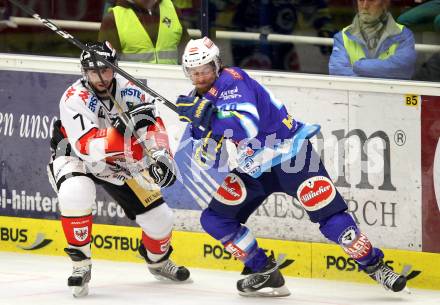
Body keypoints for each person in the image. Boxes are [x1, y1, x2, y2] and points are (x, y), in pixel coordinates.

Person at [176, 37, 408, 297]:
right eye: (193, 72)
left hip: (291, 156)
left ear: (217, 65)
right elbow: (205, 157)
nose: (200, 77)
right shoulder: (194, 101)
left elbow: (247, 126)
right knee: (215, 219)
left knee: (333, 221)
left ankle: (375, 265)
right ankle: (264, 271)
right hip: (254, 168)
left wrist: (207, 118)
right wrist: (200, 128)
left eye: (205, 69)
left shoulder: (233, 79)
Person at [47, 41, 190, 297]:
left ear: (115, 68)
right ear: (84, 73)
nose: (100, 78)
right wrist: (121, 133)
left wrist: (161, 156)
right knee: (75, 192)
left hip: (118, 162)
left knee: (161, 220)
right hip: (75, 156)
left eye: (106, 69)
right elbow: (87, 146)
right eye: (93, 72)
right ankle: (81, 265)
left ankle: (157, 261)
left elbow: (153, 127)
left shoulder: (134, 90)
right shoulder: (73, 98)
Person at [329, 0, 417, 79]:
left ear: (385, 3)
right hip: (356, 95)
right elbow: (337, 73)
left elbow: (403, 69)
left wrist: (359, 66)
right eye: (361, 0)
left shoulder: (403, 34)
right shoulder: (343, 36)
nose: (364, 6)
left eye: (371, 0)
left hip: (390, 95)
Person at [98, 0, 190, 64]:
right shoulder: (112, 18)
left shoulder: (172, 9)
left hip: (172, 85)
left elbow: (187, 53)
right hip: (133, 88)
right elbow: (106, 64)